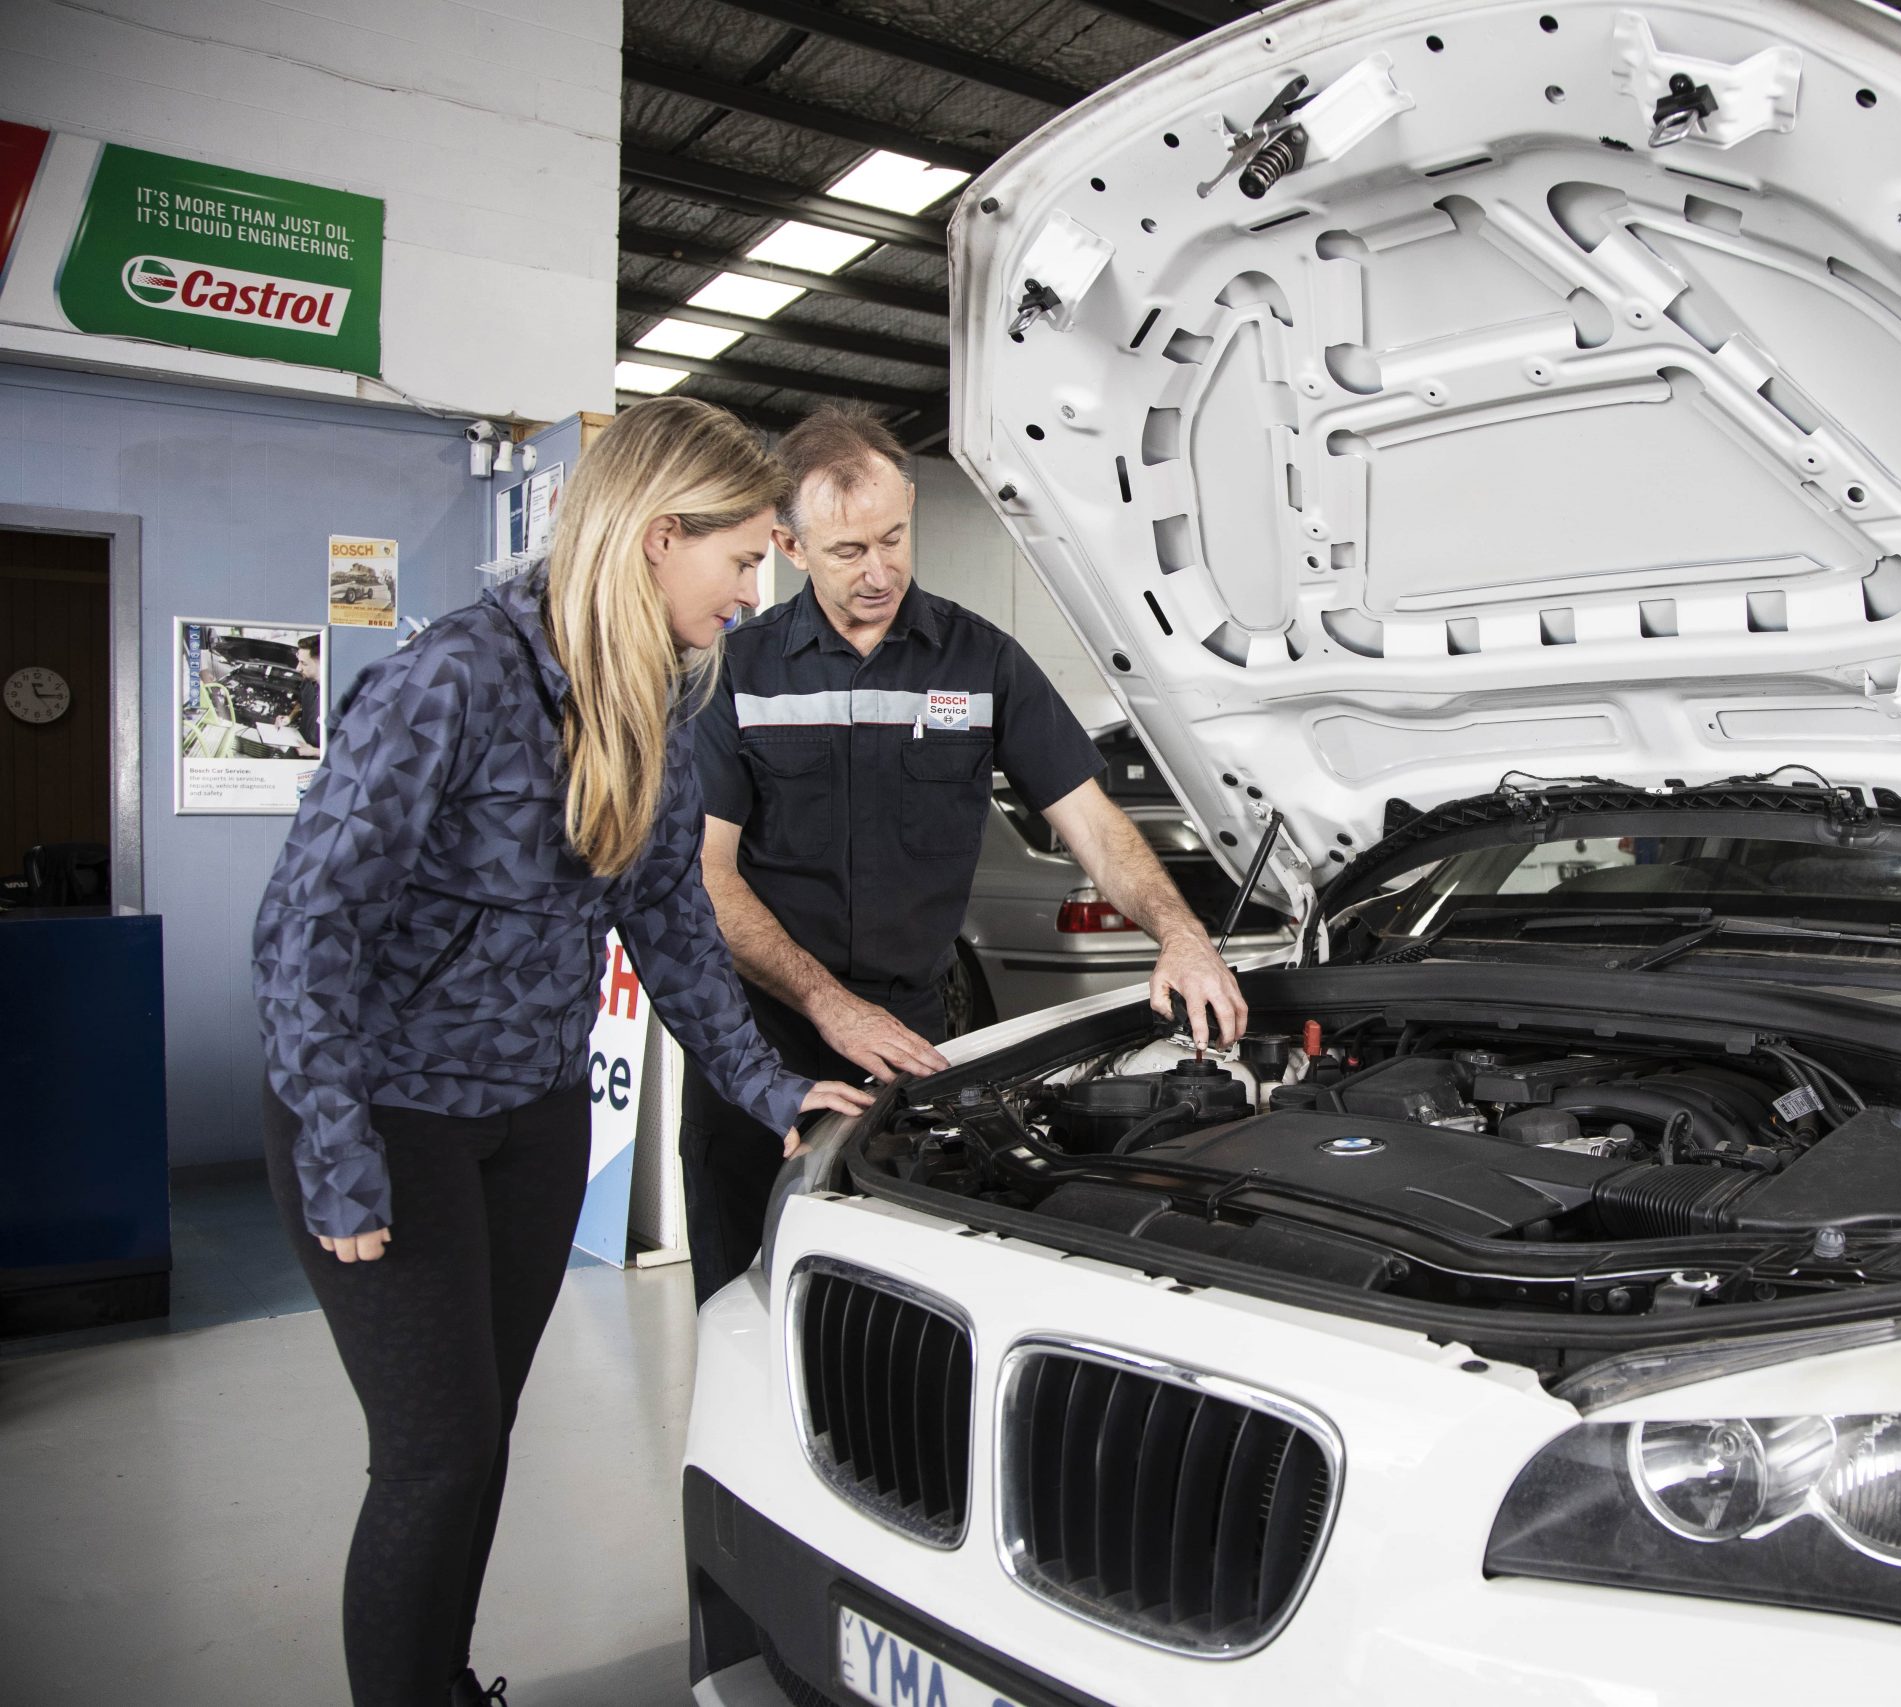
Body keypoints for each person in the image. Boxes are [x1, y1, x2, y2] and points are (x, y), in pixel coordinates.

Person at [252, 396, 870, 1707]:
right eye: (743, 557)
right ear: (659, 536)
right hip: (384, 1114)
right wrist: (335, 1146)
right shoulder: (453, 678)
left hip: (527, 1121)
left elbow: (672, 926)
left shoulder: (650, 697)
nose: (752, 592)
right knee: (435, 1450)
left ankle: (443, 1677)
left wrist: (767, 1085)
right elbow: (310, 920)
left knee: (482, 1443)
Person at [680, 404, 1249, 1303]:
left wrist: (1180, 931)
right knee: (746, 1297)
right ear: (788, 546)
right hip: (760, 1042)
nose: (880, 571)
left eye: (894, 537)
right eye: (847, 552)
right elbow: (705, 877)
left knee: (904, 1303)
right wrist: (829, 1008)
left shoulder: (981, 662)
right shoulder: (735, 672)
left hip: (914, 1037)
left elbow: (1092, 821)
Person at [292, 633, 323, 754]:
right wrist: (289, 718)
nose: (297, 668)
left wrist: (314, 752)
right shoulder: (306, 683)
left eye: (303, 663)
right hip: (299, 744)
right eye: (298, 661)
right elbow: (301, 703)